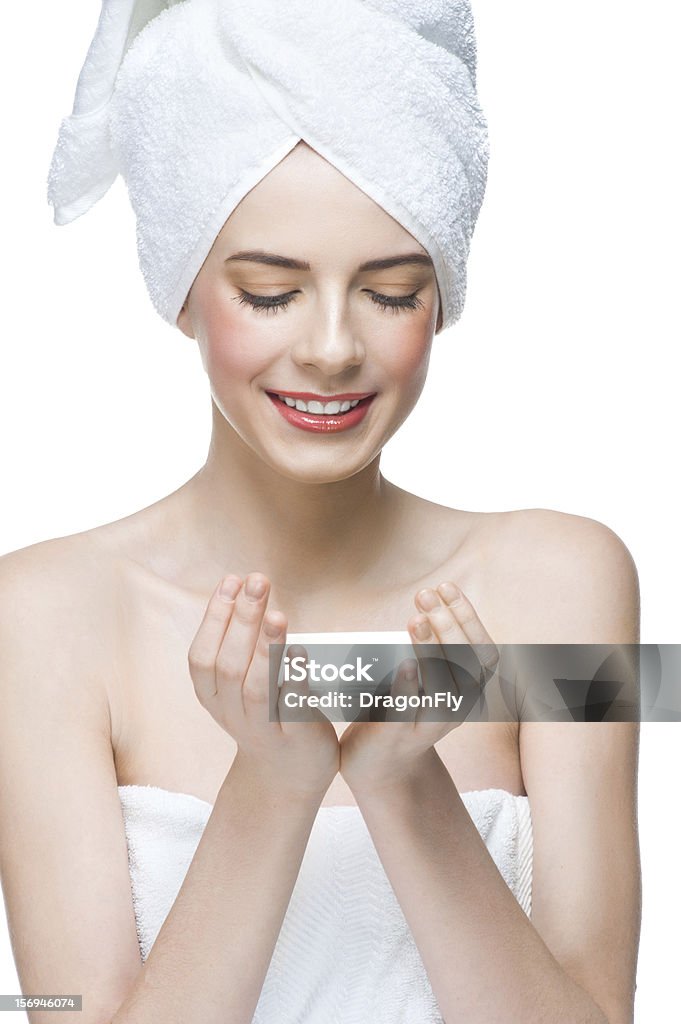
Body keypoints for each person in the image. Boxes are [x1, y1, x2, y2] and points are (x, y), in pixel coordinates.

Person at [0, 3, 640, 1023]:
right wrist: (274, 781)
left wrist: (404, 785)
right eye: (269, 292)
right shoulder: (36, 619)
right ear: (182, 287)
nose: (333, 348)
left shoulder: (568, 584)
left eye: (390, 292)